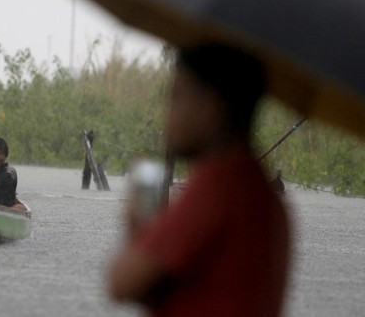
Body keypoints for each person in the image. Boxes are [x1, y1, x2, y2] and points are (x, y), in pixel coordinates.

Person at [107, 43, 291, 316]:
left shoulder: (218, 187)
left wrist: (137, 226)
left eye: (176, 97)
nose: (167, 113)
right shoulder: (262, 195)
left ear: (210, 106)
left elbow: (122, 283)